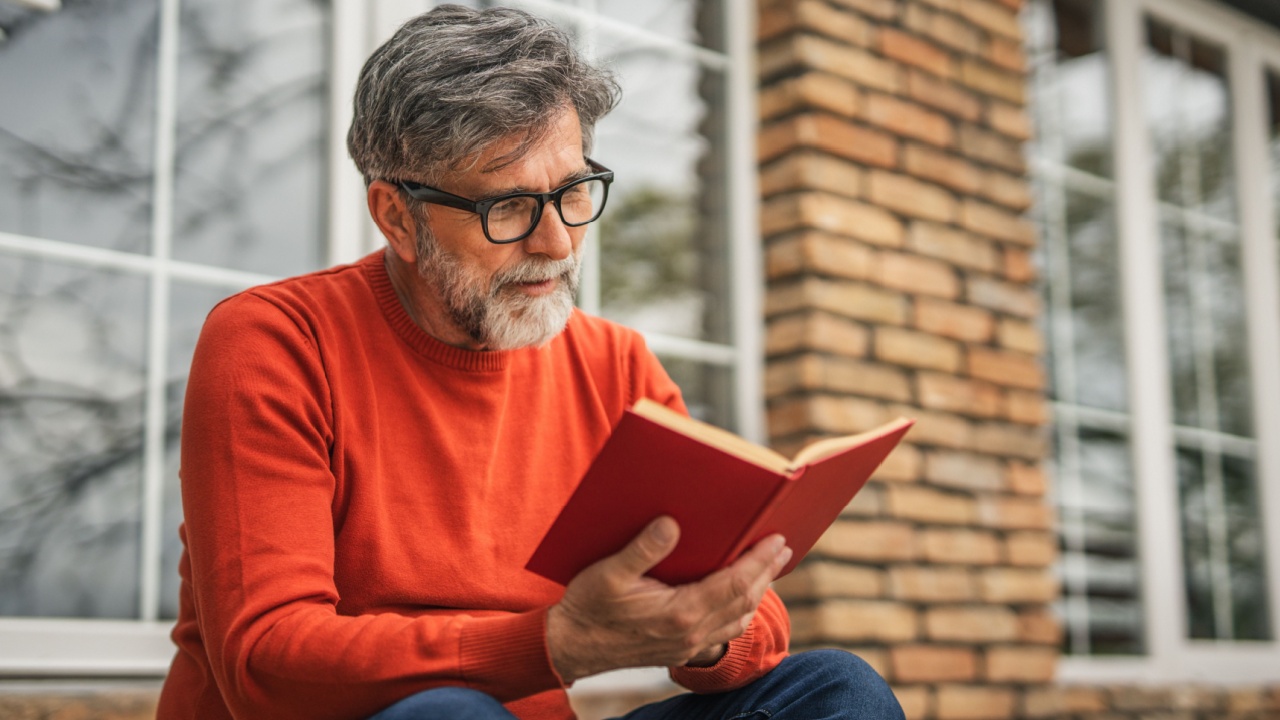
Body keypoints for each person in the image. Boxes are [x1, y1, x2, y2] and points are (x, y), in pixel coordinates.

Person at [155, 5, 904, 720]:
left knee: (837, 691)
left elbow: (757, 621)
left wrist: (706, 629)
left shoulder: (614, 364)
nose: (556, 243)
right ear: (396, 216)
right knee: (449, 714)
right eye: (507, 207)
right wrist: (557, 644)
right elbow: (267, 662)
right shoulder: (278, 342)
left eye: (573, 191)